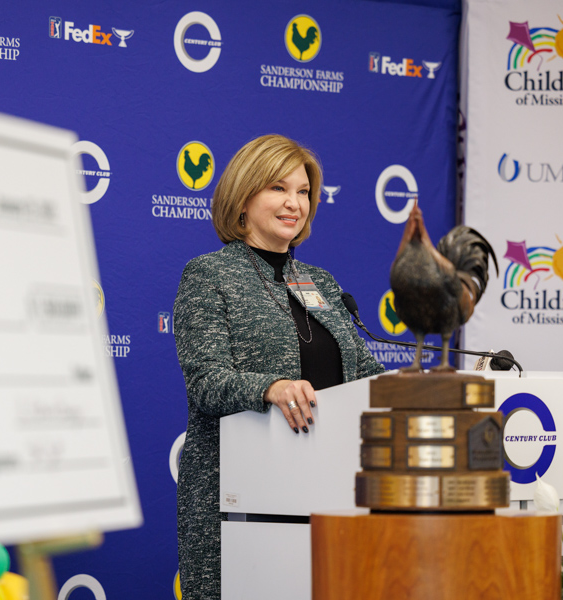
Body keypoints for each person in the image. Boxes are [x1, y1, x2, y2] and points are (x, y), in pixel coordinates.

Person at [173, 134, 385, 599]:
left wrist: (414, 390)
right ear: (243, 198)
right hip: (237, 501)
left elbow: (365, 371)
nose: (295, 203)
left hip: (329, 497)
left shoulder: (320, 282)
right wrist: (270, 386)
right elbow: (207, 383)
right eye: (278, 188)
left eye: (304, 192)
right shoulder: (208, 275)